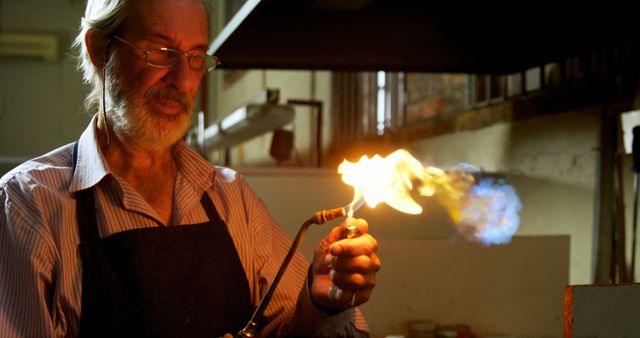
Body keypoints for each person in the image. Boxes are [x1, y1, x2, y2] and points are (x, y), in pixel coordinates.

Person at [0, 0, 381, 337]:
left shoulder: (232, 198)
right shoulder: (28, 206)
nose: (183, 81)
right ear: (100, 49)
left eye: (197, 57)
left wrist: (321, 304)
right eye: (161, 51)